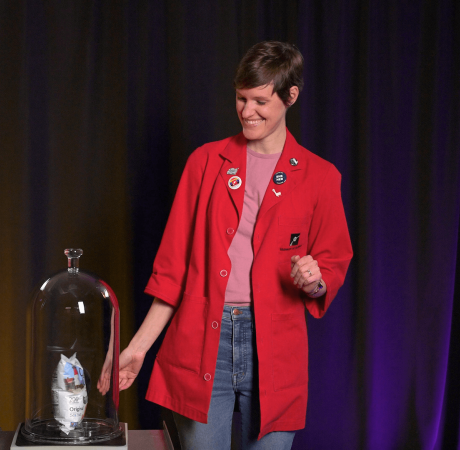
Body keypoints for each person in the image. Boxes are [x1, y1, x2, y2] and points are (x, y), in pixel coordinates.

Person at [114, 41, 352, 449]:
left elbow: (330, 266)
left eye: (260, 100)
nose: (246, 111)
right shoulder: (205, 162)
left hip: (276, 347)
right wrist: (136, 349)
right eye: (241, 99)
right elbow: (172, 271)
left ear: (290, 96)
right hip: (204, 338)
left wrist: (314, 280)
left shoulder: (320, 175)